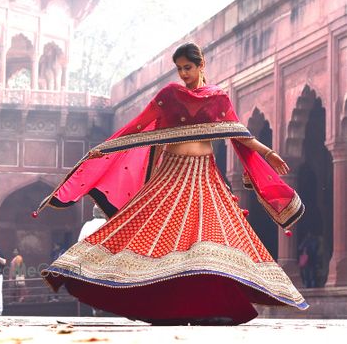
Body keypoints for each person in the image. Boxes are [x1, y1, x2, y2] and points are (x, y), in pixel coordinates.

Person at [36, 42, 308, 325]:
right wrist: (108, 147)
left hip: (204, 176)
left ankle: (209, 308)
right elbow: (139, 126)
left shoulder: (218, 99)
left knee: (209, 241)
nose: (183, 74)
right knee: (151, 235)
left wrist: (268, 152)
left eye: (188, 68)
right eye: (179, 69)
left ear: (201, 65)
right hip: (171, 175)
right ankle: (161, 308)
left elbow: (240, 135)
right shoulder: (169, 95)